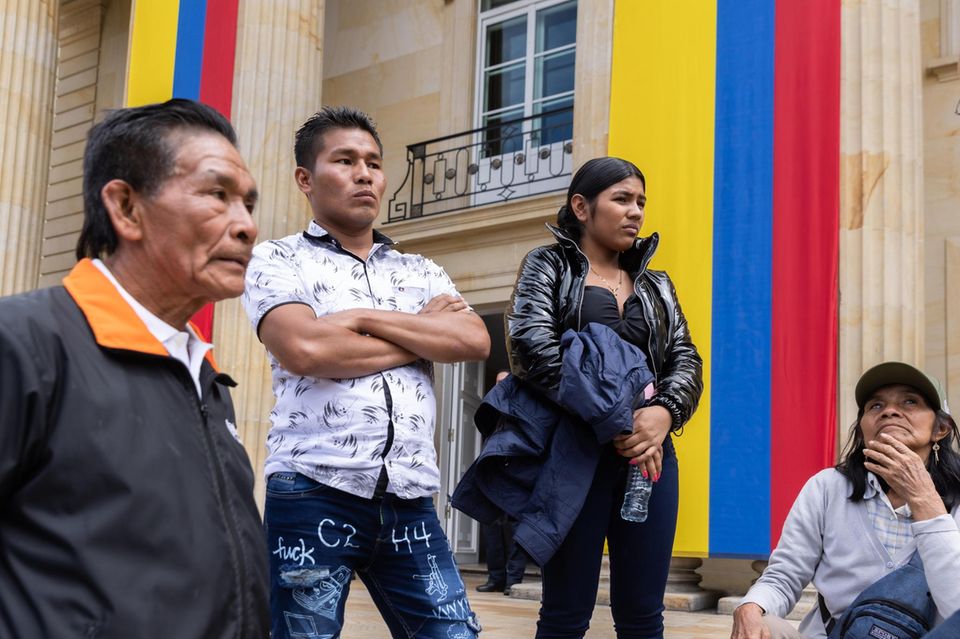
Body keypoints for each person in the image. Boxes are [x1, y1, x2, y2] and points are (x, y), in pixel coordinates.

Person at [0, 99, 269, 637]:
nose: (246, 227)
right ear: (125, 207)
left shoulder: (207, 379)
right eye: (217, 195)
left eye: (248, 203)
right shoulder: (24, 344)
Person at [242, 106, 490, 639]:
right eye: (346, 160)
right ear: (305, 179)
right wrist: (420, 335)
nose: (364, 174)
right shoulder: (276, 259)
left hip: (409, 498)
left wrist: (358, 320)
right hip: (313, 490)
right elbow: (303, 348)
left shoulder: (419, 269)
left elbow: (473, 339)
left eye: (374, 163)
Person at [505, 157, 703, 638]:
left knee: (643, 615)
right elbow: (532, 350)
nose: (635, 212)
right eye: (621, 199)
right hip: (574, 454)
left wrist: (663, 413)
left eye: (641, 202)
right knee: (565, 613)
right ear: (581, 206)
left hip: (649, 458)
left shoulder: (658, 284)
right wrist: (616, 419)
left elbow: (686, 358)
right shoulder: (546, 264)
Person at [732, 361, 960, 639]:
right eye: (875, 406)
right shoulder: (828, 487)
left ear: (941, 429)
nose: (889, 411)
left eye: (910, 402)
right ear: (863, 428)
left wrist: (924, 498)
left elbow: (956, 607)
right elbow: (784, 575)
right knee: (765, 627)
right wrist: (752, 607)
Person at [476, 371, 529, 596]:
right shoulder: (491, 408)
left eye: (505, 382)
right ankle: (495, 577)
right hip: (493, 472)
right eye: (497, 382)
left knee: (517, 527)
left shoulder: (525, 406)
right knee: (491, 526)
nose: (501, 386)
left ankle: (513, 579)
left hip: (517, 473)